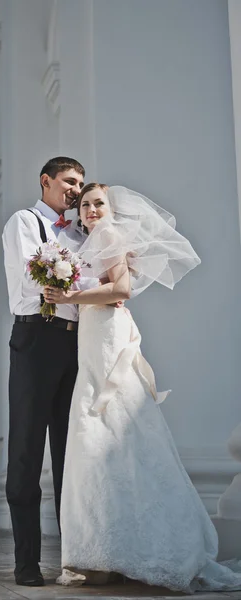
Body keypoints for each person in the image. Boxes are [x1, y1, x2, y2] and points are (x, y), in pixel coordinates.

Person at [44, 183, 241, 593]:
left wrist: (70, 294)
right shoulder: (93, 239)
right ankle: (108, 551)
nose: (92, 210)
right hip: (95, 333)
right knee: (102, 429)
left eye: (99, 203)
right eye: (86, 205)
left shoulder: (110, 235)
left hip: (106, 333)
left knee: (110, 418)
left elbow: (122, 289)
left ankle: (126, 550)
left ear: (110, 208)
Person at [2, 156, 86, 587]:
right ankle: (26, 564)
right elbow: (36, 278)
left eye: (80, 184)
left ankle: (74, 560)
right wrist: (88, 283)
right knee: (27, 451)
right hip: (35, 339)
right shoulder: (23, 221)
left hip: (76, 342)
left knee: (73, 455)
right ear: (46, 181)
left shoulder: (80, 232)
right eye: (69, 181)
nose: (75, 190)